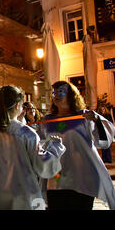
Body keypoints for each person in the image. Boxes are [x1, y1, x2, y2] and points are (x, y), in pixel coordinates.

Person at [0, 85, 65, 210]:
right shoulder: (25, 133)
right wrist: (55, 147)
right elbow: (42, 166)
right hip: (23, 195)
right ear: (17, 105)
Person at [40, 81, 115, 210]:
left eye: (61, 91)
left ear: (71, 95)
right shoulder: (47, 120)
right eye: (54, 92)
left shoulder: (84, 116)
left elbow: (102, 141)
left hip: (81, 176)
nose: (56, 95)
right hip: (57, 177)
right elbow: (39, 143)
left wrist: (96, 120)